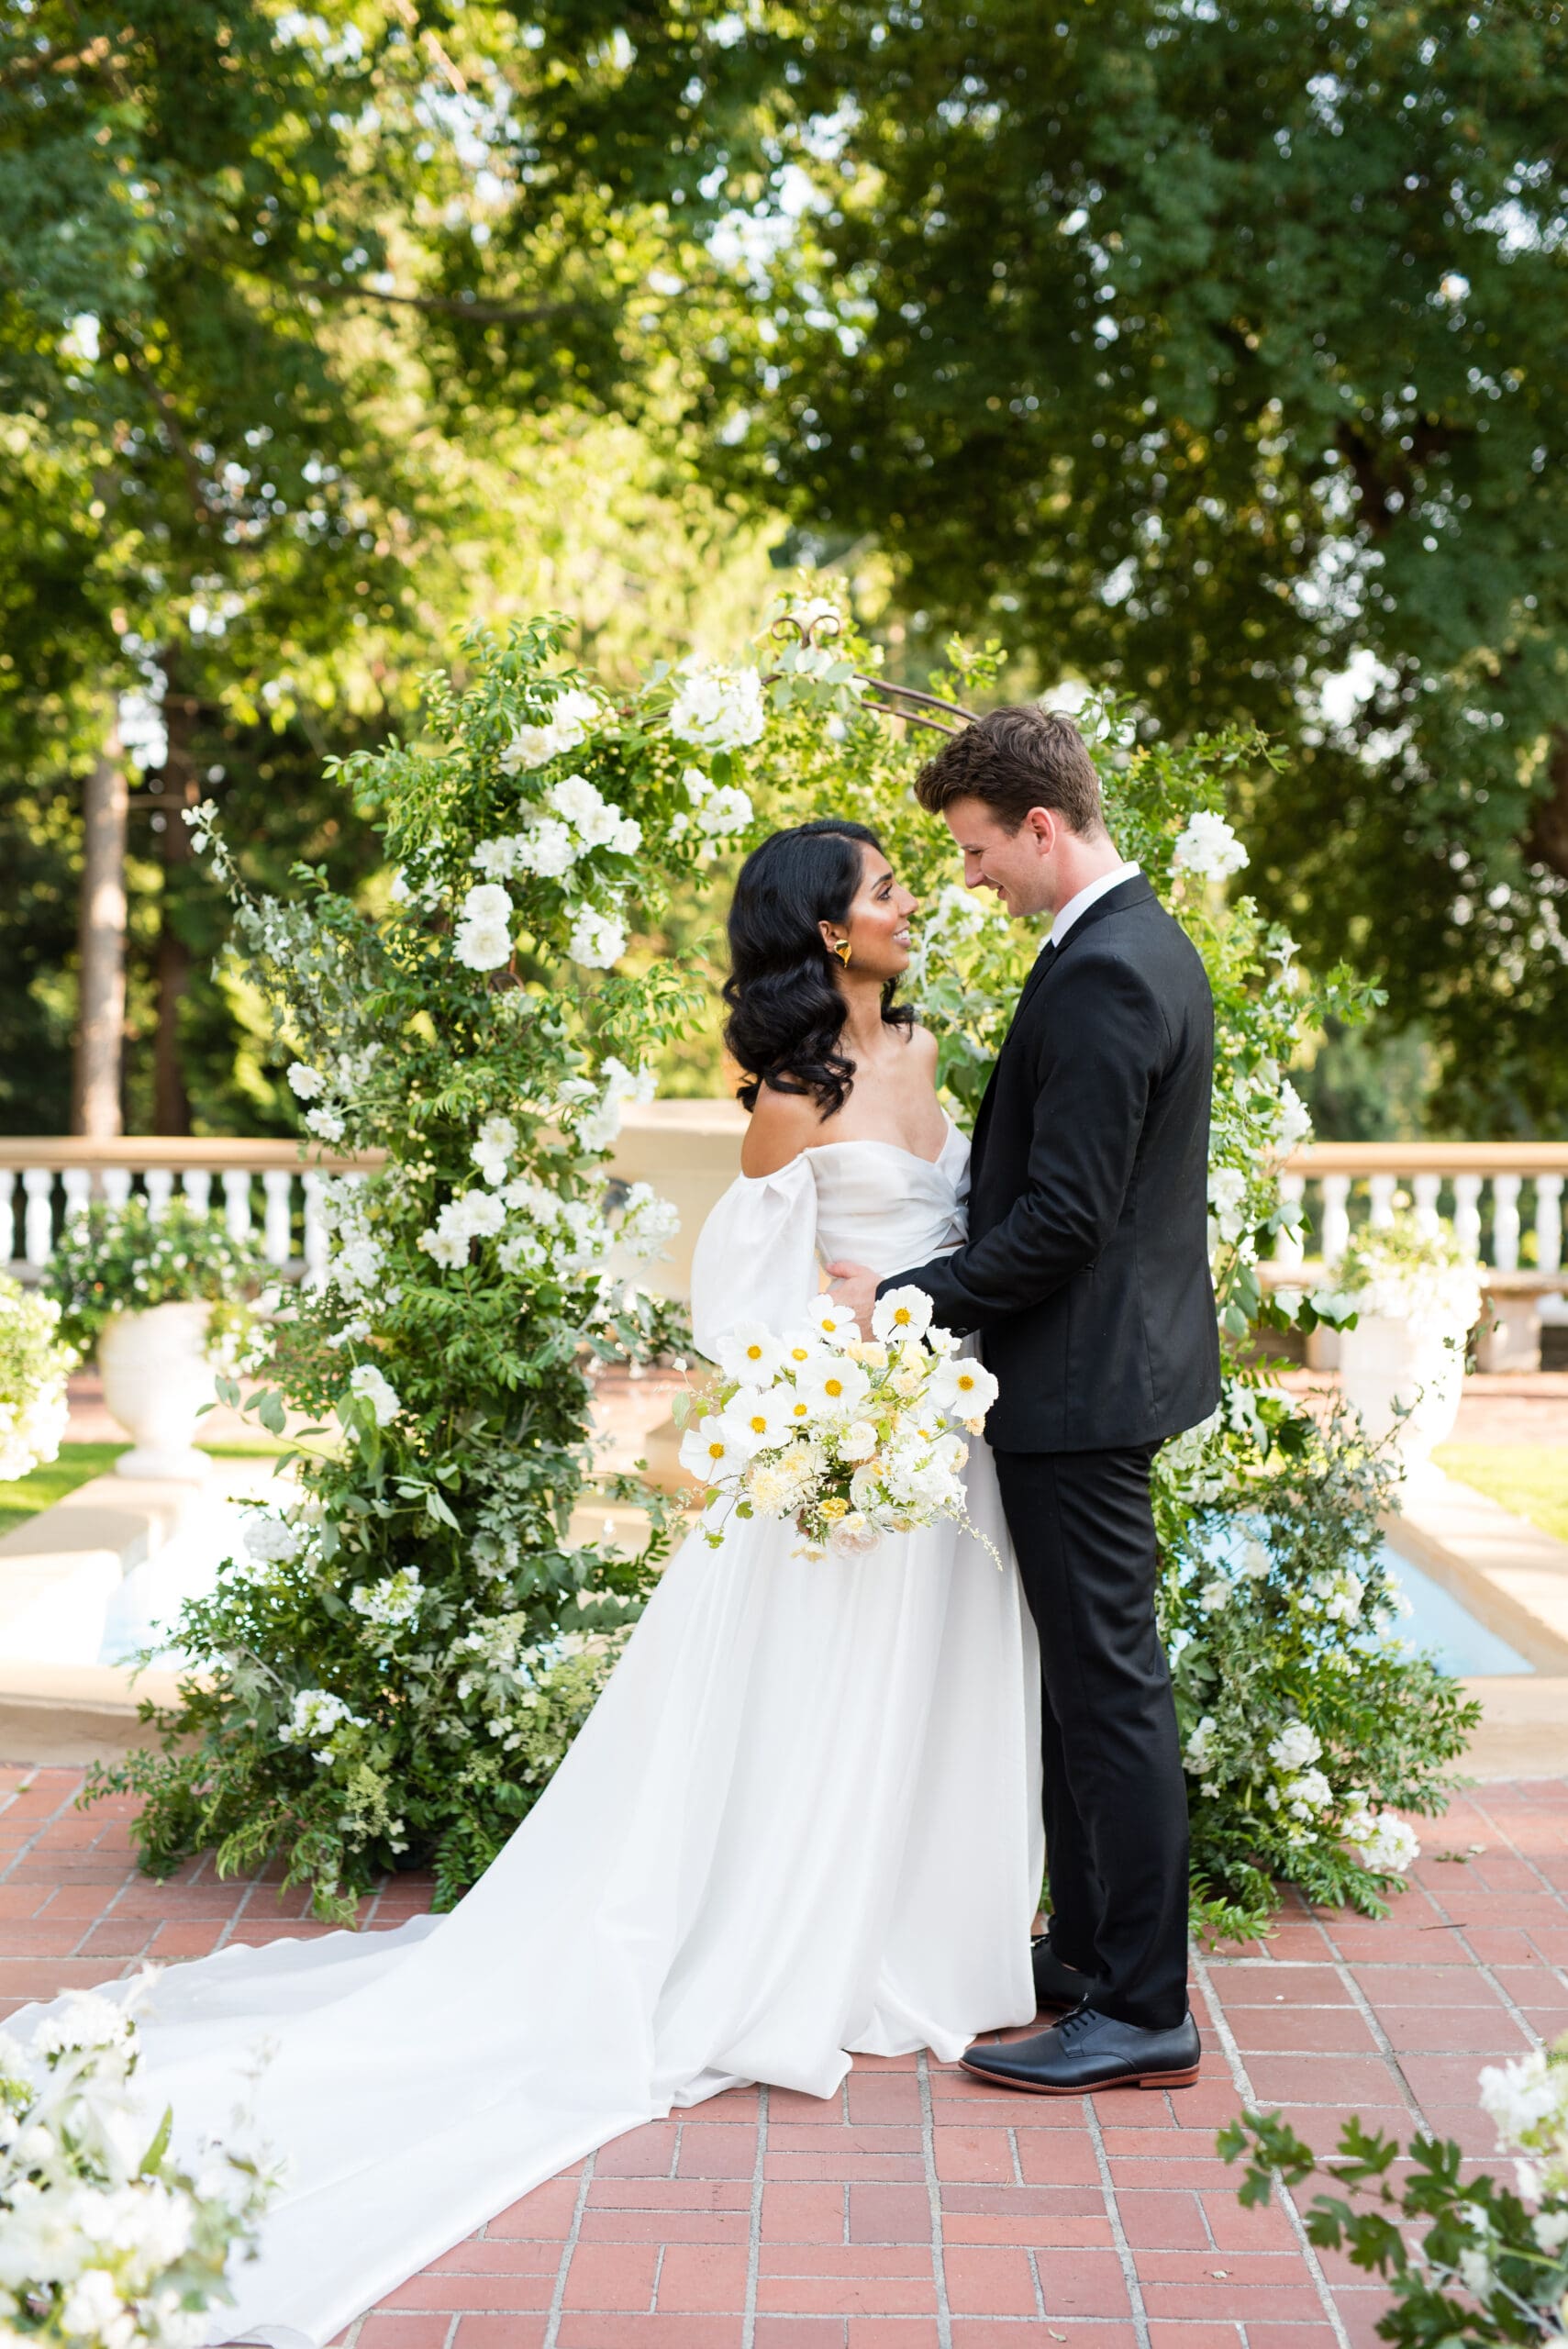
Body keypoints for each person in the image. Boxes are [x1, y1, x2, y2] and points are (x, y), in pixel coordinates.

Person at [7, 818, 1049, 2345]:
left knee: (927, 1686)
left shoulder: (931, 1047)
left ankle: (900, 1932)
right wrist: (840, 1393)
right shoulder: (787, 1095)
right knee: (822, 1692)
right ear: (829, 933)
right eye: (887, 889)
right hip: (850, 1439)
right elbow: (741, 1298)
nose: (909, 903)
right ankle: (792, 1947)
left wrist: (919, 1349)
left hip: (936, 1421)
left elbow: (948, 1225)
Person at [828, 710, 1219, 2096]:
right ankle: (1088, 1957)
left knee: (1110, 1694)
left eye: (978, 849)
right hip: (1086, 1375)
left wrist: (911, 1299)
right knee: (1085, 1688)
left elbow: (1061, 1222)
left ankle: (1141, 2004)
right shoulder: (1118, 946)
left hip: (1081, 1382)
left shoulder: (1112, 972)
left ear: (1041, 827)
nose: (971, 875)